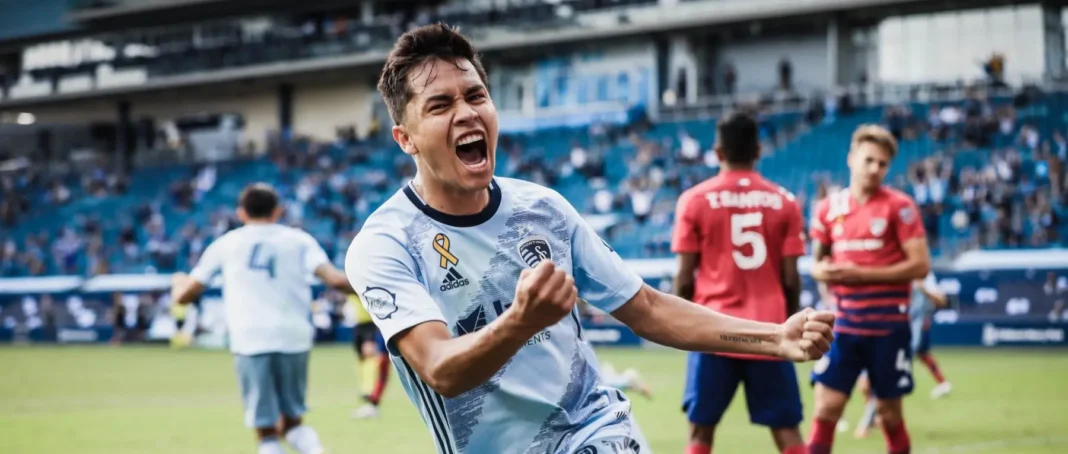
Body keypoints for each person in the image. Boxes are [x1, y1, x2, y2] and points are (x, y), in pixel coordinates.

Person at [344, 24, 837, 454]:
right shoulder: (385, 245)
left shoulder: (544, 210)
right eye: (440, 105)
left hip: (594, 431)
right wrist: (518, 323)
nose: (468, 112)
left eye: (476, 96)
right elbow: (440, 368)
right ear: (405, 138)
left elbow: (647, 307)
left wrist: (775, 337)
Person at [170, 183, 355, 454]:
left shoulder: (226, 243)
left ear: (241, 213)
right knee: (293, 423)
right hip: (294, 336)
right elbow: (336, 280)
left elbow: (185, 295)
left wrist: (177, 284)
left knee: (266, 431)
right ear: (278, 211)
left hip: (250, 338)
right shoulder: (299, 239)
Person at [672, 111, 807, 454]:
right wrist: (787, 322)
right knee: (788, 432)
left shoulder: (694, 200)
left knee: (701, 432)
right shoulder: (786, 202)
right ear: (759, 150)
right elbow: (792, 279)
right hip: (769, 330)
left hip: (713, 331)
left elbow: (684, 278)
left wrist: (681, 324)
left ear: (718, 152)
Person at [807, 125, 931, 454]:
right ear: (852, 159)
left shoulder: (900, 207)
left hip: (889, 328)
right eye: (869, 160)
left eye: (883, 164)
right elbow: (816, 263)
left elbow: (920, 265)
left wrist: (861, 274)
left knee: (890, 414)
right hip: (843, 327)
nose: (876, 169)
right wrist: (825, 271)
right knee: (826, 409)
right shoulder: (827, 209)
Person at [854, 270, 951, 439]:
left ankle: (867, 422)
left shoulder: (923, 277)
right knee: (865, 385)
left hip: (900, 341)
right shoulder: (891, 274)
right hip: (878, 330)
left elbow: (942, 300)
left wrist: (923, 289)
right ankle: (876, 418)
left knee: (881, 382)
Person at [348, 293, 391, 418]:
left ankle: (369, 393)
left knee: (376, 359)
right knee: (375, 361)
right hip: (365, 325)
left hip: (373, 325)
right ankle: (371, 401)